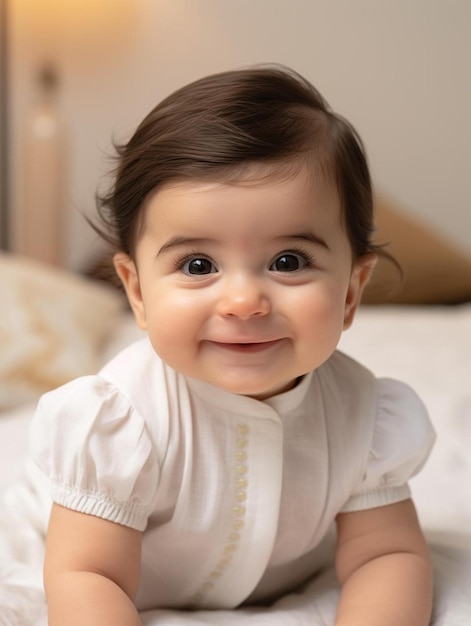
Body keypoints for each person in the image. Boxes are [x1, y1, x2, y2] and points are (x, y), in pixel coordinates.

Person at [30, 66, 436, 625]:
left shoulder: (366, 417)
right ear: (138, 291)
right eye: (198, 266)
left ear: (350, 291)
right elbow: (87, 573)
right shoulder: (122, 421)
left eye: (288, 262)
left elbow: (386, 554)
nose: (244, 301)